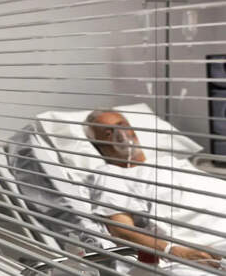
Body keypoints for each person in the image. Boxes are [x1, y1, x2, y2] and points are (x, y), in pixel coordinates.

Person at [84, 110, 225, 271]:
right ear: (98, 146)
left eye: (122, 125)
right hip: (210, 238)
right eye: (108, 133)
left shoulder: (168, 161)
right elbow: (121, 230)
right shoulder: (111, 174)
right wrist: (174, 251)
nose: (121, 134)